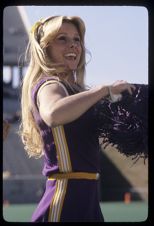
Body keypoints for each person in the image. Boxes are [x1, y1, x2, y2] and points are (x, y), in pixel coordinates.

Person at [19, 16, 147, 222]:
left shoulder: (76, 91)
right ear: (45, 48)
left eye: (77, 39)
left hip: (87, 196)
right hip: (65, 196)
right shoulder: (50, 84)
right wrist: (103, 90)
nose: (73, 44)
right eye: (62, 38)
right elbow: (53, 113)